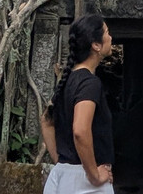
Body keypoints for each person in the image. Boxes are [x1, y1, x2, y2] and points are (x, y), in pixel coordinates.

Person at [41, 14, 115, 194]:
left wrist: (62, 160)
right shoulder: (90, 83)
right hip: (85, 183)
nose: (111, 37)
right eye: (106, 32)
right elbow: (80, 131)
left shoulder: (67, 81)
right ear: (96, 45)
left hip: (63, 175)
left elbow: (46, 121)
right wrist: (93, 175)